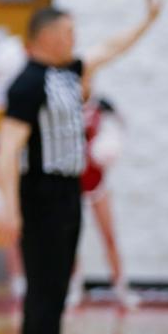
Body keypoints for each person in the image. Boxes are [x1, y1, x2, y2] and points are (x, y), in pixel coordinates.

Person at [0, 0, 162, 334]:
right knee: (47, 296)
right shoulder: (28, 83)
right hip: (44, 195)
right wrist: (9, 209)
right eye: (68, 30)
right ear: (46, 35)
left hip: (69, 193)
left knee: (48, 295)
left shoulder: (70, 71)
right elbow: (8, 149)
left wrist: (147, 21)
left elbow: (109, 48)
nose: (75, 37)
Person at [66, 91, 139, 309]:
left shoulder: (103, 104)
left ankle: (121, 289)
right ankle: (74, 288)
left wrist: (111, 144)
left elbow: (123, 125)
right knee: (71, 238)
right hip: (72, 182)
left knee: (109, 235)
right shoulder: (65, 106)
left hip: (98, 182)